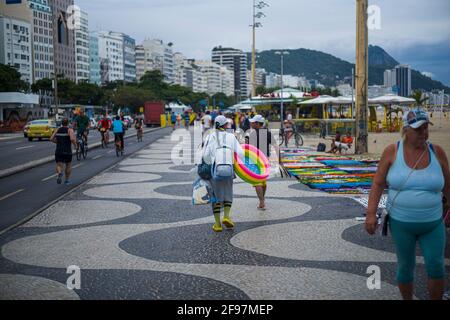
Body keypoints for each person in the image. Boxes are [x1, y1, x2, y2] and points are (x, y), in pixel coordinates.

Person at [366, 109, 450, 300]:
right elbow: (378, 183)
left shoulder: (437, 152)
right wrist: (371, 213)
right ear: (405, 130)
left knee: (436, 266)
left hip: (433, 223)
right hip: (401, 224)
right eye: (418, 129)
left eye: (426, 128)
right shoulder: (392, 151)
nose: (424, 133)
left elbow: (448, 185)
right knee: (405, 266)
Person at [202, 115, 245, 233]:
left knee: (215, 196)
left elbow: (205, 156)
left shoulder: (210, 136)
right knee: (228, 192)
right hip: (229, 169)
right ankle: (226, 216)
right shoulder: (231, 136)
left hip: (215, 170)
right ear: (225, 125)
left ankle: (217, 224)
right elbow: (241, 153)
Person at [245, 114, 278, 211]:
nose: (251, 123)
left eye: (253, 122)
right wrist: (279, 159)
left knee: (257, 182)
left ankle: (262, 202)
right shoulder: (267, 133)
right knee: (263, 181)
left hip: (255, 160)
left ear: (257, 123)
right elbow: (275, 145)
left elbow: (248, 148)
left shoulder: (252, 134)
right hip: (265, 160)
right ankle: (262, 199)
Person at [50, 118, 77, 185]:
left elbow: (51, 138)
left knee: (59, 165)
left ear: (61, 123)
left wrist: (57, 142)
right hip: (67, 151)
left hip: (59, 150)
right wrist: (75, 145)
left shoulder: (57, 130)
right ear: (68, 123)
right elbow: (72, 139)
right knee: (68, 165)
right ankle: (67, 180)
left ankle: (59, 173)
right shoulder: (70, 130)